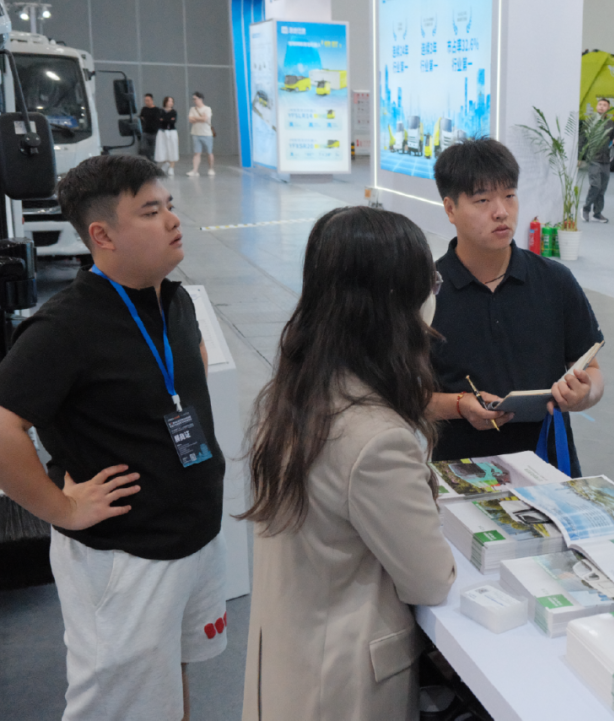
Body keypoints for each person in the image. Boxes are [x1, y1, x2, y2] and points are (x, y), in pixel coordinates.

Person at [0, 154, 225, 721]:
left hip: (192, 537)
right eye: (150, 211)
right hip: (125, 559)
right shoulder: (65, 326)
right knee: (119, 706)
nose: (172, 219)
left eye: (169, 205)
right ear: (102, 235)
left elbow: (186, 382)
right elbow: (3, 426)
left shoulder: (174, 300)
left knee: (169, 681)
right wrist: (61, 509)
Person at [240, 206, 455, 721]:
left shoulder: (297, 390)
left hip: (294, 656)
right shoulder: (376, 438)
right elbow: (430, 579)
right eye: (429, 282)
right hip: (342, 681)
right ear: (396, 302)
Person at [427, 138, 605, 477]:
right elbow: (403, 397)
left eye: (509, 195)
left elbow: (591, 370)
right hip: (462, 473)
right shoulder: (426, 291)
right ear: (450, 209)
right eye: (482, 200)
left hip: (550, 468)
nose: (501, 212)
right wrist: (459, 405)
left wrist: (583, 393)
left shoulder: (554, 281)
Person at [582, 97, 614, 223]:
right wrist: (580, 157)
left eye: (604, 105)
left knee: (602, 188)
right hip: (594, 159)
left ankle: (597, 213)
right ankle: (586, 209)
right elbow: (583, 139)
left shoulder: (610, 123)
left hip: (605, 160)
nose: (601, 107)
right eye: (600, 104)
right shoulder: (590, 122)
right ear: (596, 107)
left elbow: (612, 138)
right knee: (595, 186)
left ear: (608, 108)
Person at [187, 91, 214, 177]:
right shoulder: (192, 109)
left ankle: (211, 169)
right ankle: (195, 170)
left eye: (195, 99)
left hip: (207, 134)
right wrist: (200, 118)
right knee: (197, 153)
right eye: (193, 99)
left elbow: (205, 119)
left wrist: (196, 118)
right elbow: (190, 120)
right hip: (195, 133)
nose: (194, 101)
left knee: (209, 152)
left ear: (200, 99)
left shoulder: (207, 109)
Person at [155, 95, 180, 176]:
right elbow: (159, 120)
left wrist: (165, 119)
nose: (171, 103)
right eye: (169, 101)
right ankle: (166, 163)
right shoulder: (160, 111)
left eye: (172, 101)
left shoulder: (174, 112)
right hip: (162, 132)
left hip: (172, 132)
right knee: (162, 149)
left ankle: (171, 167)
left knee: (173, 149)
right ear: (165, 102)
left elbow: (172, 121)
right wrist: (167, 120)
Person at [138, 93, 162, 161]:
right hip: (145, 132)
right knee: (144, 148)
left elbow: (159, 120)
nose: (146, 102)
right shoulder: (144, 109)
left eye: (148, 100)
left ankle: (153, 162)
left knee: (153, 150)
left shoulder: (157, 110)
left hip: (154, 133)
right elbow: (141, 118)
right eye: (145, 100)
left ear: (152, 100)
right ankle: (149, 160)